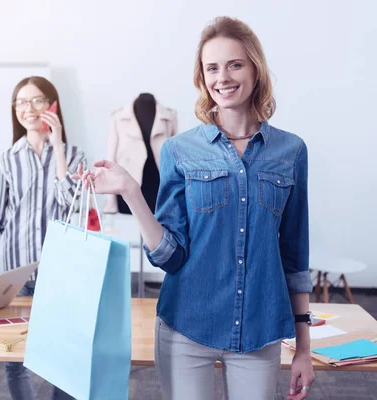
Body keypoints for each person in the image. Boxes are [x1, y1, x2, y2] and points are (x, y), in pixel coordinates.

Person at [76, 17, 314, 400]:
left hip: (257, 329)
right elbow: (169, 255)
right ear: (202, 77)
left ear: (255, 69)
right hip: (186, 329)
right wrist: (132, 193)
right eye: (212, 67)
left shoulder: (291, 151)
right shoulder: (179, 150)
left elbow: (294, 259)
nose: (223, 77)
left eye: (235, 64)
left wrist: (304, 349)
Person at [0, 76, 85, 400]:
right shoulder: (5, 159)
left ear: (52, 105)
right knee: (15, 354)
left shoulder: (74, 155)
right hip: (14, 268)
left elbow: (69, 201)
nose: (28, 109)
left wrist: (59, 144)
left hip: (59, 270)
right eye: (21, 102)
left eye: (36, 101)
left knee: (64, 350)